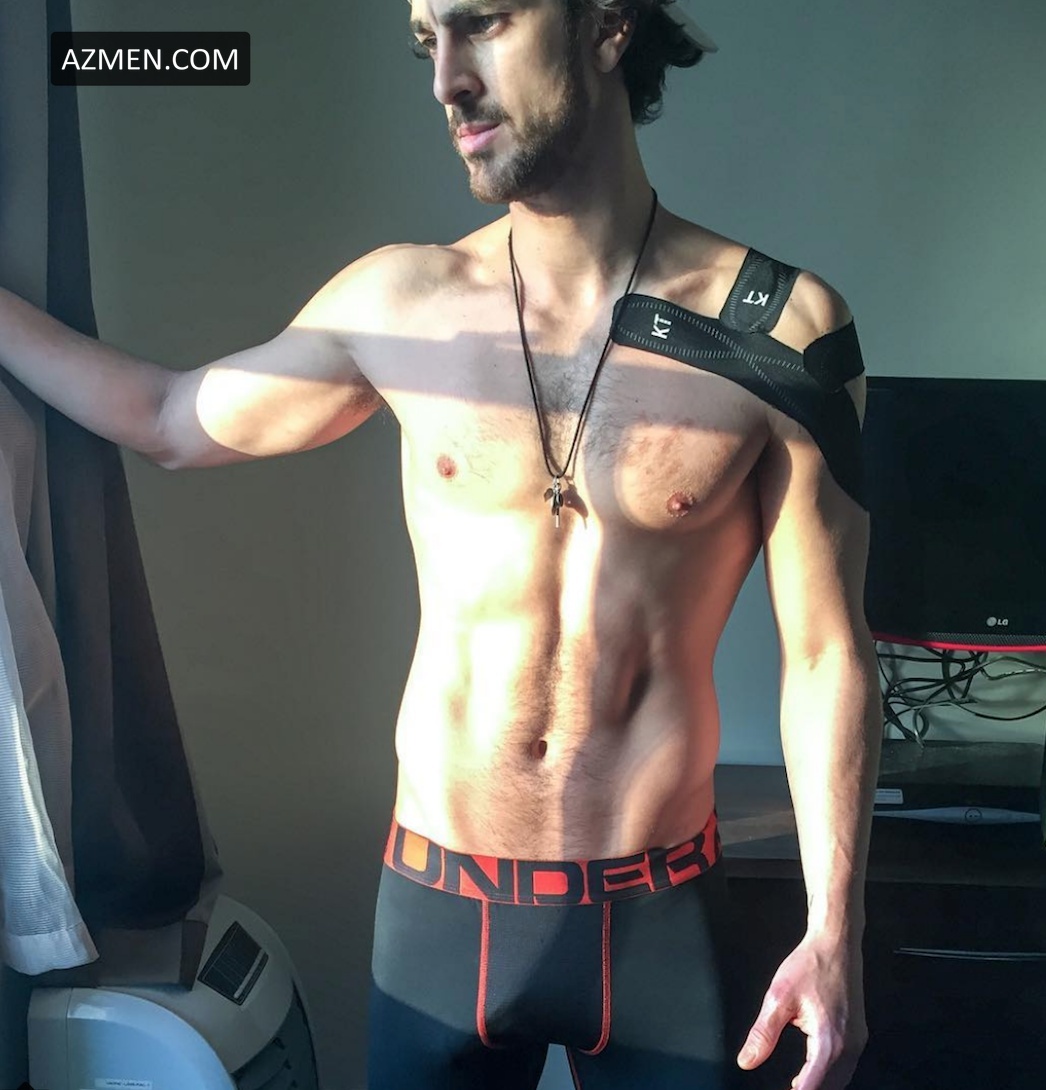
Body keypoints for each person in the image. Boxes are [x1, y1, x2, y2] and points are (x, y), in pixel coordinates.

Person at [0, 2, 883, 1086]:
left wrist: (832, 929)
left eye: (481, 24)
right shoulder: (402, 304)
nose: (446, 80)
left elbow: (825, 653)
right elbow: (169, 418)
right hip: (441, 913)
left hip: (659, 916)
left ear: (608, 24)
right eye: (428, 42)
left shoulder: (780, 331)